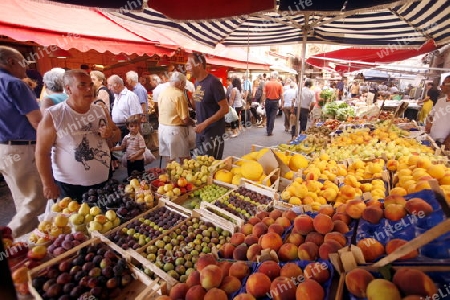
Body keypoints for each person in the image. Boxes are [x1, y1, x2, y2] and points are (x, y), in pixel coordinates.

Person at [36, 70, 121, 202]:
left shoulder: (99, 110)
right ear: (68, 89)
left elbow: (117, 134)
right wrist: (47, 184)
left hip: (104, 181)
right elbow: (42, 153)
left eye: (91, 84)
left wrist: (111, 134)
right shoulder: (54, 115)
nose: (89, 89)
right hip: (70, 186)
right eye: (82, 85)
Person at [0, 45, 45, 238]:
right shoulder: (14, 84)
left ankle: (23, 246)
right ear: (11, 62)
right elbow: (37, 121)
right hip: (23, 150)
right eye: (23, 63)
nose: (25, 68)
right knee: (35, 201)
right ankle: (11, 240)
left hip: (4, 149)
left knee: (22, 199)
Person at [187, 52, 228, 159]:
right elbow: (198, 106)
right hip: (200, 131)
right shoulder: (196, 82)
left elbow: (225, 108)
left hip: (213, 133)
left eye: (189, 64)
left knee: (211, 166)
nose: (187, 68)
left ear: (199, 65)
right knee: (201, 164)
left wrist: (205, 123)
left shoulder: (213, 83)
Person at [158, 72, 195, 162]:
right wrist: (193, 122)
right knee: (185, 160)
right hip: (175, 131)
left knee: (170, 160)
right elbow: (185, 119)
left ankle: (170, 176)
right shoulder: (179, 95)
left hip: (162, 129)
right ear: (181, 83)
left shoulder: (163, 92)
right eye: (184, 85)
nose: (184, 87)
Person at [108, 74, 143, 139]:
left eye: (110, 85)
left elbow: (136, 116)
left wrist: (135, 134)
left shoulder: (130, 96)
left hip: (127, 129)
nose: (109, 88)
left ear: (117, 84)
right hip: (117, 128)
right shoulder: (116, 96)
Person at [425, 76, 450, 149]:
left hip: (444, 143)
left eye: (444, 83)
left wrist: (447, 141)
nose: (441, 86)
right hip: (432, 138)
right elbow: (432, 114)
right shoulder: (440, 101)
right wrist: (429, 123)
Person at [262, 71, 283, 136]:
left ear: (271, 77)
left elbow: (264, 94)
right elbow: (281, 95)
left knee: (268, 116)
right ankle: (270, 131)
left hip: (268, 101)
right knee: (272, 116)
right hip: (275, 102)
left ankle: (268, 128)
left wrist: (263, 101)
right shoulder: (279, 84)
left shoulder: (266, 84)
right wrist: (282, 103)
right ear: (276, 77)